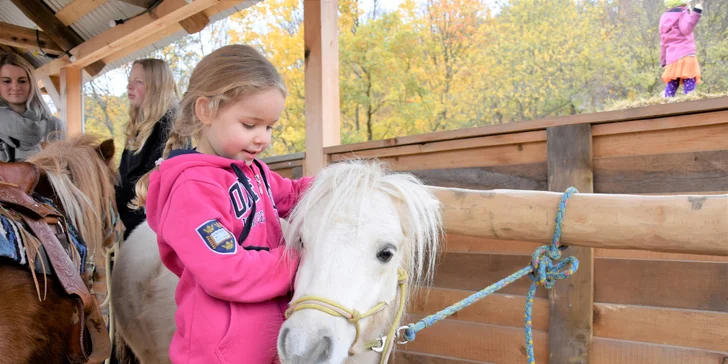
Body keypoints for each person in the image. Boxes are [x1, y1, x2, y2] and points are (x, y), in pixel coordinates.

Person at [134, 44, 312, 364]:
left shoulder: (255, 172)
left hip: (266, 342)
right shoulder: (192, 189)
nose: (264, 138)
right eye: (250, 125)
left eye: (269, 127)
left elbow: (294, 195)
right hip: (219, 353)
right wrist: (298, 263)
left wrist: (342, 184)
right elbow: (226, 270)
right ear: (206, 111)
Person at [115, 58, 180, 239]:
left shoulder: (170, 124)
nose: (129, 86)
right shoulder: (139, 128)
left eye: (139, 81)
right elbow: (123, 176)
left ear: (156, 86)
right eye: (129, 80)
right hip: (134, 225)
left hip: (153, 232)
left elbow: (152, 179)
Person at [0, 53, 65, 162]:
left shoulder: (53, 125)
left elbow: (63, 169)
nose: (15, 87)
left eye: (22, 81)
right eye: (7, 81)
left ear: (31, 83)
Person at [660, 0, 703, 98]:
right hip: (686, 54)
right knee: (689, 78)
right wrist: (696, 12)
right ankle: (690, 101)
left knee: (672, 83)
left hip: (671, 57)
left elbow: (663, 42)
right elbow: (686, 29)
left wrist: (663, 60)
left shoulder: (664, 18)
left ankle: (666, 101)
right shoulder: (682, 13)